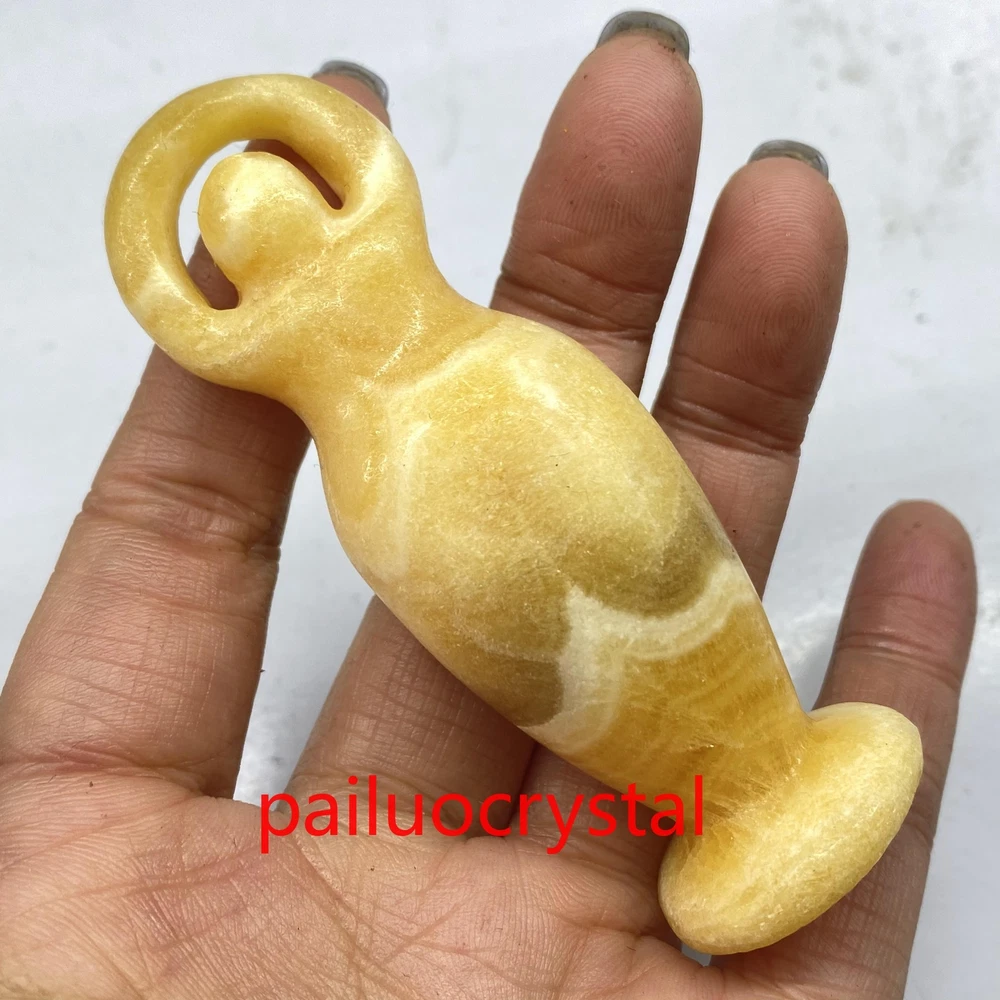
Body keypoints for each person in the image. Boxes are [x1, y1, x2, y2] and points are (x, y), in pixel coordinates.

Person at [0, 12, 977, 998]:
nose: (272, 217)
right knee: (546, 626)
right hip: (413, 471)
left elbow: (323, 194)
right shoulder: (284, 336)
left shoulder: (368, 236)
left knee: (645, 546)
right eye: (250, 222)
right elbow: (207, 314)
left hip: (501, 405)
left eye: (275, 200)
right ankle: (736, 797)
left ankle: (771, 769)